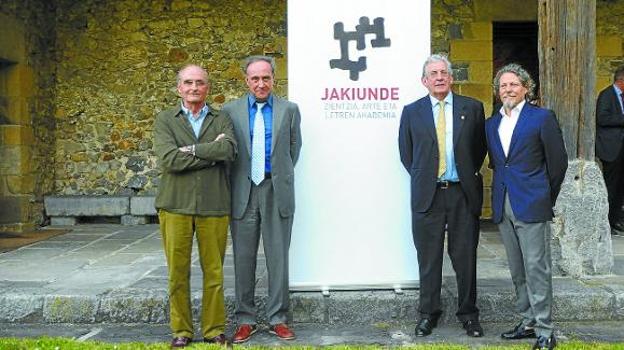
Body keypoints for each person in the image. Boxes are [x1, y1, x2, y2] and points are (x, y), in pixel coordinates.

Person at [398, 54, 487, 338]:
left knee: (465, 258)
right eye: (433, 73)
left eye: (443, 73)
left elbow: (479, 149)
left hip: (462, 193)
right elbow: (407, 153)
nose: (439, 77)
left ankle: (469, 315)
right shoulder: (412, 112)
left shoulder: (472, 108)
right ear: (424, 81)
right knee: (429, 258)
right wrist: (426, 175)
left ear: (451, 77)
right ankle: (428, 314)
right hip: (429, 194)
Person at [153, 64, 237, 348]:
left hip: (214, 204)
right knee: (178, 272)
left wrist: (189, 149)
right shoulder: (165, 119)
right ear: (179, 88)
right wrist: (209, 152)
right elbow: (169, 160)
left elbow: (228, 150)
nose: (193, 88)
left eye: (199, 83)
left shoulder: (221, 118)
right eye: (188, 82)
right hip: (175, 204)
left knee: (214, 272)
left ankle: (214, 330)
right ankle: (181, 330)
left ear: (207, 88)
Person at [486, 63, 567, 350]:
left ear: (525, 88)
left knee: (537, 268)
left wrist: (544, 197)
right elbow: (498, 164)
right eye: (503, 85)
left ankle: (546, 330)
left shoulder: (541, 118)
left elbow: (558, 164)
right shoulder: (491, 123)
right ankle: (528, 320)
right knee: (517, 269)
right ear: (498, 91)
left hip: (531, 203)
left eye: (514, 84)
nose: (508, 89)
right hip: (503, 203)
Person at [222, 55, 302, 343]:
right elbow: (227, 152)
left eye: (265, 77)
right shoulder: (229, 111)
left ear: (273, 79)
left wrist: (276, 175)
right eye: (255, 78)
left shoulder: (289, 110)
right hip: (243, 192)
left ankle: (278, 318)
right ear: (246, 81)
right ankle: (245, 319)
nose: (261, 83)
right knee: (243, 259)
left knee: (278, 258)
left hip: (275, 189)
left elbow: (294, 149)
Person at [596, 65, 624, 235]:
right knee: (611, 186)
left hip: (621, 148)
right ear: (621, 81)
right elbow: (602, 118)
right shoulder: (607, 95)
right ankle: (606, 222)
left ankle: (616, 220)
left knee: (621, 186)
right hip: (611, 149)